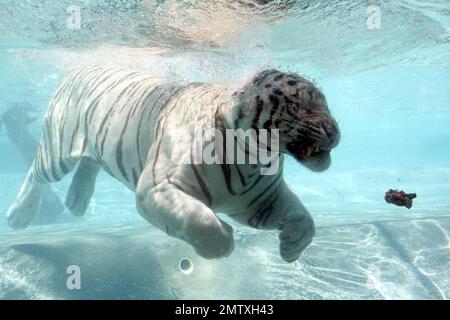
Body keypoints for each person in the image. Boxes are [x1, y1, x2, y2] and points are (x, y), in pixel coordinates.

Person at [1, 103, 64, 224]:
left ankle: (50, 201)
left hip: (20, 94)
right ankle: (50, 200)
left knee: (16, 130)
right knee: (16, 132)